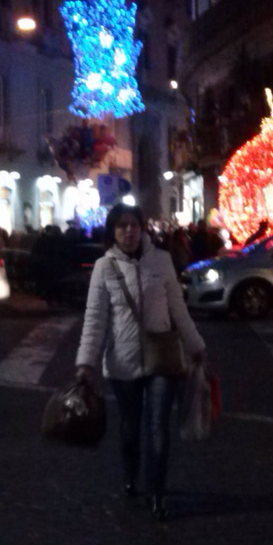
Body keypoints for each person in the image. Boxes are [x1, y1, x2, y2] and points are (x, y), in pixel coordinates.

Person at [75, 204, 207, 522]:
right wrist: (86, 362)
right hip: (122, 361)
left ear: (143, 228)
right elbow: (95, 319)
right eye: (121, 226)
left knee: (158, 426)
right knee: (130, 428)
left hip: (162, 357)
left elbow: (178, 309)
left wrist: (195, 346)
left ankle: (157, 492)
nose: (128, 231)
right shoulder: (104, 267)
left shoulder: (161, 262)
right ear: (113, 232)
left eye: (133, 225)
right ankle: (132, 478)